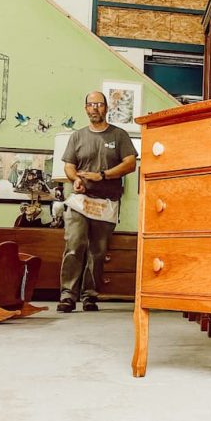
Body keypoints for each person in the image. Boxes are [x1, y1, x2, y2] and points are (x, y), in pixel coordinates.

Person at [57, 91, 137, 312]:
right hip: (80, 201)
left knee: (98, 251)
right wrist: (75, 180)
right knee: (74, 245)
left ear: (106, 108)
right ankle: (68, 295)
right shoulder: (77, 136)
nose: (95, 108)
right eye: (91, 104)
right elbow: (69, 165)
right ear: (85, 108)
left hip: (106, 203)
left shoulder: (119, 136)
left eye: (99, 104)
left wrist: (102, 175)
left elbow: (130, 163)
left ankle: (90, 295)